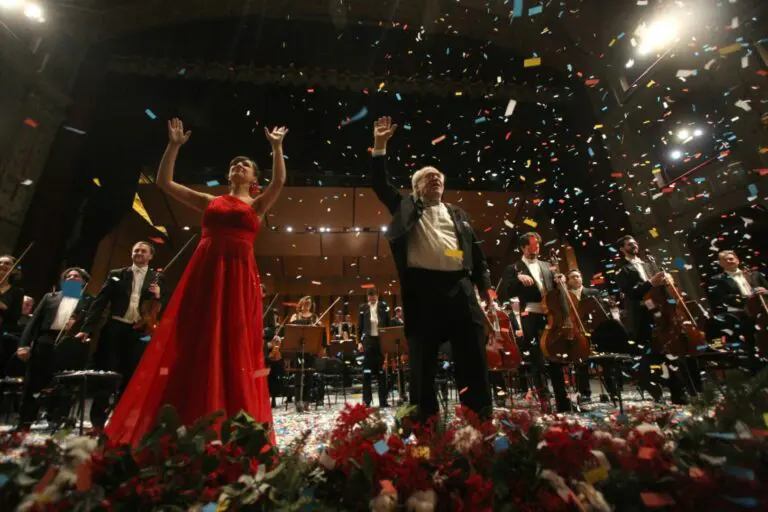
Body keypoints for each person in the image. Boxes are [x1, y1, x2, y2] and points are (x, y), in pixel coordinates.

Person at [87, 118, 287, 445]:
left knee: (234, 337)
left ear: (253, 178)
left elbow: (279, 181)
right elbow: (165, 182)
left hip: (238, 275)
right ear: (228, 174)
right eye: (235, 163)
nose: (239, 165)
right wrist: (174, 146)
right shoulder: (211, 202)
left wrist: (276, 148)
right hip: (207, 272)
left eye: (246, 165)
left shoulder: (258, 204)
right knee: (198, 333)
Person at [369, 116, 493, 421]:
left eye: (438, 176)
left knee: (474, 357)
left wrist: (485, 287)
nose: (435, 179)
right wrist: (381, 145)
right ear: (415, 187)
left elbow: (477, 256)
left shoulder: (458, 214)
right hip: (422, 291)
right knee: (423, 361)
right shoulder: (405, 206)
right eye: (427, 177)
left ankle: (479, 420)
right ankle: (425, 424)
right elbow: (378, 183)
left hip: (461, 289)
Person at [76, 241, 162, 429]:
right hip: (115, 328)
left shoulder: (156, 278)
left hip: (139, 331)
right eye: (136, 250)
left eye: (143, 251)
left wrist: (157, 295)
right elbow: (100, 302)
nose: (139, 253)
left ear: (150, 256)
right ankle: (98, 422)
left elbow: (160, 308)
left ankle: (121, 420)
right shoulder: (117, 274)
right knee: (106, 373)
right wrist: (87, 328)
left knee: (131, 376)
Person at [615, 235, 688, 404]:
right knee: (651, 356)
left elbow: (660, 289)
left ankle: (679, 392)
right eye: (629, 244)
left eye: (635, 242)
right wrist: (650, 282)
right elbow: (632, 293)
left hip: (662, 313)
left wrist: (667, 281)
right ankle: (654, 389)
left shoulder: (649, 264)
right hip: (643, 316)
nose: (633, 245)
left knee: (670, 353)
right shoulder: (622, 269)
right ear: (622, 249)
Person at [502, 232, 571, 412]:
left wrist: (560, 280)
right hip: (531, 314)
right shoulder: (514, 268)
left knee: (555, 356)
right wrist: (518, 279)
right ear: (522, 248)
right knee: (537, 359)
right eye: (530, 249)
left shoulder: (547, 265)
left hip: (551, 315)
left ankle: (563, 402)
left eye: (537, 248)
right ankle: (544, 402)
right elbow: (507, 291)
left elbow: (556, 290)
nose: (534, 252)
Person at [16, 268, 93, 428]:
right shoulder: (49, 297)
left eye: (76, 276)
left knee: (64, 386)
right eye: (68, 276)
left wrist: (80, 327)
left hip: (70, 344)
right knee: (33, 383)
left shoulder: (89, 301)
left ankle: (57, 420)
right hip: (45, 341)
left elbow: (93, 324)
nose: (71, 278)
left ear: (83, 282)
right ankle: (25, 422)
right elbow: (33, 323)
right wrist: (23, 345)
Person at [708, 250, 768, 372]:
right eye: (725, 260)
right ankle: (760, 371)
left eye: (731, 258)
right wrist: (746, 299)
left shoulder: (755, 274)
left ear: (737, 260)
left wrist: (766, 291)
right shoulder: (717, 279)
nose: (729, 261)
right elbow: (724, 298)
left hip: (763, 310)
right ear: (721, 264)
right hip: (741, 314)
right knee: (751, 342)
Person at [357, 288, 391, 407]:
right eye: (369, 296)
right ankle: (367, 401)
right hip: (368, 343)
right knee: (367, 372)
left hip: (380, 342)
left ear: (377, 296)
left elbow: (388, 325)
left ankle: (383, 401)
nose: (371, 298)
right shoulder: (363, 308)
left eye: (373, 296)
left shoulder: (384, 307)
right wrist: (359, 342)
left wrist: (388, 342)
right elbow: (359, 327)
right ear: (367, 297)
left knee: (382, 372)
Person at [0, 254, 25, 377]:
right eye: (1, 262)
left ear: (14, 270)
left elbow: (15, 317)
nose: (3, 265)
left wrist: (2, 306)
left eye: (7, 263)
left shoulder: (16, 292)